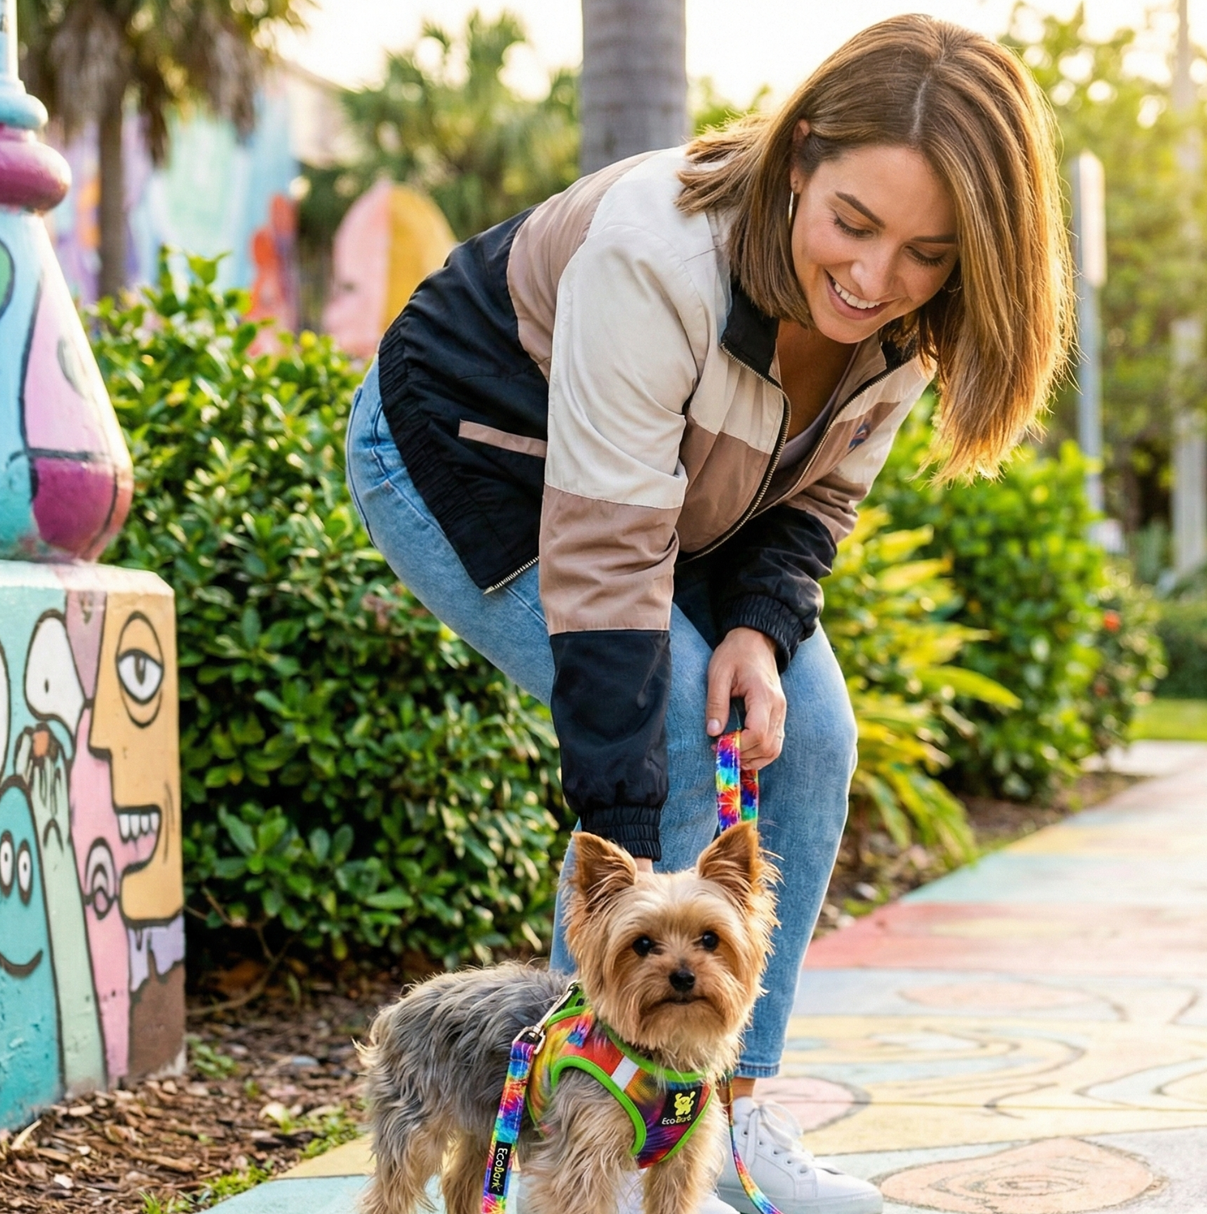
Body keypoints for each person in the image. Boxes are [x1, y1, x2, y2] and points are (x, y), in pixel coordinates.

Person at [345, 15, 1071, 1214]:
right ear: (795, 160)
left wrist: (758, 623)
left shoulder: (902, 322)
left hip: (678, 491)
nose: (874, 278)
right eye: (851, 223)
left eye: (926, 253)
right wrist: (616, 865)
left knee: (810, 726)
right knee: (676, 716)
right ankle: (569, 1115)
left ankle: (724, 1119)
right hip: (473, 454)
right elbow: (606, 569)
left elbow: (814, 495)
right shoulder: (655, 259)